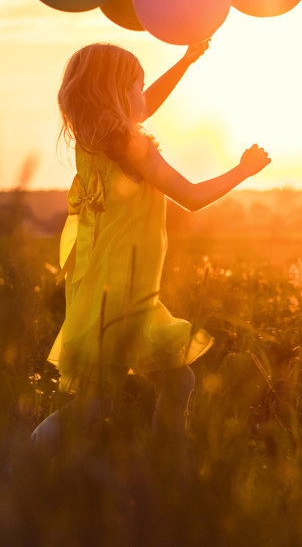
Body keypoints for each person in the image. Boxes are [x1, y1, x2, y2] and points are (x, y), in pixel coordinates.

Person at [30, 39, 270, 454]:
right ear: (116, 93)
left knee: (178, 380)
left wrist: (185, 62)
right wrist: (242, 171)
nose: (143, 95)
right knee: (96, 403)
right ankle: (27, 459)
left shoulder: (96, 140)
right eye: (136, 86)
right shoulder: (130, 148)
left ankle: (167, 464)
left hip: (111, 282)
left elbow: (143, 107)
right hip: (122, 288)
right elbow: (191, 197)